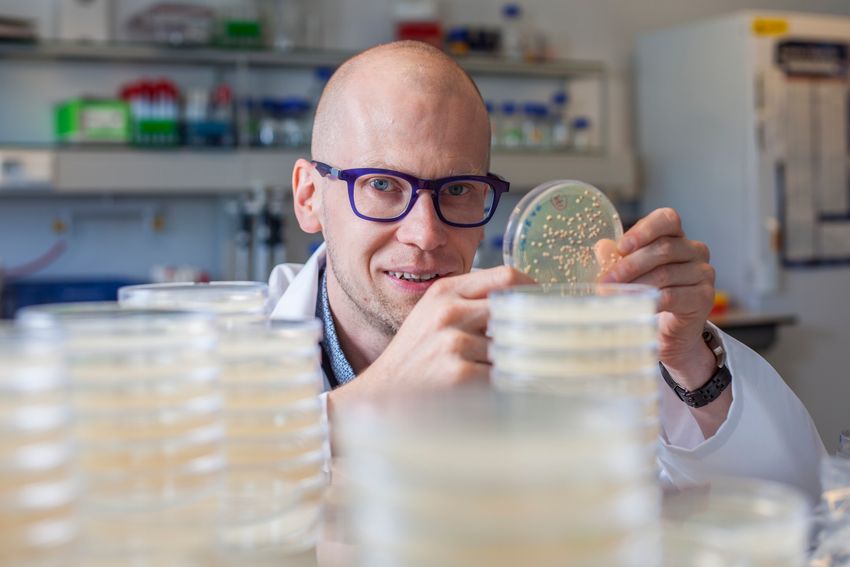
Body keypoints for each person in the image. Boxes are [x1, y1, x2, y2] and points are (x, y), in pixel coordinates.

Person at [268, 40, 825, 501]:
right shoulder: (227, 341)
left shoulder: (554, 345)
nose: (426, 233)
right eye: (383, 185)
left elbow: (796, 500)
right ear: (310, 196)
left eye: (459, 190)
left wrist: (691, 362)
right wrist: (367, 404)